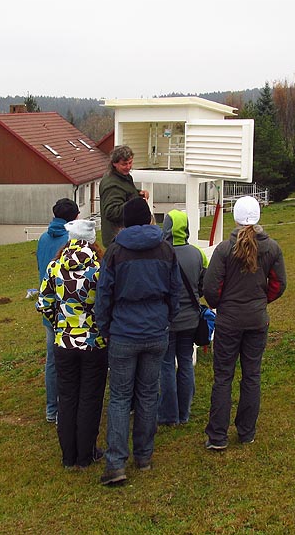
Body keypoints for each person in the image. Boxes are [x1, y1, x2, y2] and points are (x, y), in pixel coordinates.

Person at [96, 197, 181, 486]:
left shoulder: (115, 252)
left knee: (120, 398)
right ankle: (143, 456)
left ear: (123, 222)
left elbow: (104, 295)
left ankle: (116, 463)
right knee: (147, 395)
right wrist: (167, 318)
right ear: (148, 219)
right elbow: (175, 292)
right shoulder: (166, 249)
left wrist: (105, 328)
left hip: (123, 332)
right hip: (156, 330)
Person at [204, 196, 286, 450]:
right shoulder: (272, 248)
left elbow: (210, 288)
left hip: (229, 321)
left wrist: (221, 304)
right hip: (256, 320)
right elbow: (278, 284)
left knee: (223, 377)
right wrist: (260, 301)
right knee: (252, 375)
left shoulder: (224, 249)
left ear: (235, 217)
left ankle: (217, 436)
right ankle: (246, 431)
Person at [36, 219, 108, 469]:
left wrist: (58, 325)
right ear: (92, 240)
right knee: (90, 398)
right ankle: (86, 454)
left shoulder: (55, 267)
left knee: (67, 398)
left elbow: (43, 303)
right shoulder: (99, 268)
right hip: (93, 342)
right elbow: (106, 303)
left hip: (64, 341)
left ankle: (68, 457)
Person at [158, 209, 207, 427]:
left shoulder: (160, 254)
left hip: (167, 320)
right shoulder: (197, 253)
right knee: (186, 362)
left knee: (167, 364)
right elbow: (203, 285)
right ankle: (184, 412)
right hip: (191, 320)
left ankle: (169, 415)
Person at [36, 198, 80, 423]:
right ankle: (69, 405)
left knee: (52, 360)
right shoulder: (69, 240)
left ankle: (51, 409)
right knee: (72, 361)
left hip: (48, 308)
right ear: (74, 218)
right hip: (68, 310)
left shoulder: (43, 239)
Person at [99, 145, 149, 248]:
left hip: (124, 236)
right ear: (114, 163)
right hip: (117, 238)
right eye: (124, 164)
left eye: (130, 163)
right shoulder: (112, 185)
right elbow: (112, 211)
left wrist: (138, 193)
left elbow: (124, 193)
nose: (128, 167)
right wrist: (136, 204)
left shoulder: (123, 176)